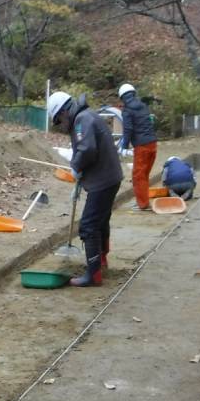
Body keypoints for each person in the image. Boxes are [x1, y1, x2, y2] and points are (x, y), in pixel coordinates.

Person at [47, 90, 123, 286]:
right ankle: (101, 260)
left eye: (57, 121)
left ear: (63, 112)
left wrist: (76, 167)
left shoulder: (82, 120)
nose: (60, 126)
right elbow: (86, 148)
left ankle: (93, 274)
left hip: (103, 180)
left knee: (88, 226)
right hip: (108, 176)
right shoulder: (85, 116)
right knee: (100, 220)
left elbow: (87, 149)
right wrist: (81, 173)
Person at [117, 82, 157, 211]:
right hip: (153, 144)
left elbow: (128, 129)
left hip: (142, 147)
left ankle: (143, 204)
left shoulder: (127, 110)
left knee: (138, 176)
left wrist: (124, 146)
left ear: (122, 97)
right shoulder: (143, 106)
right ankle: (143, 201)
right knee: (144, 175)